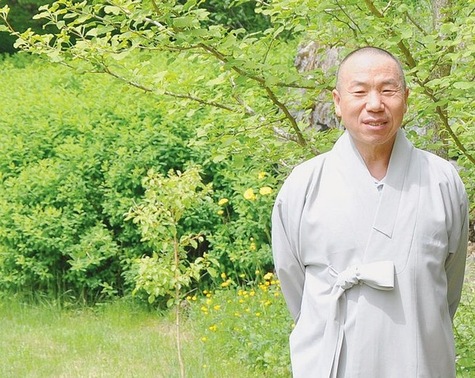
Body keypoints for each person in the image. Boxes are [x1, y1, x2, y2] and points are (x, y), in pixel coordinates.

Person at [271, 46, 469, 378]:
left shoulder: (442, 181)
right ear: (337, 101)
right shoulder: (304, 184)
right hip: (333, 363)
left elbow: (449, 288)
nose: (374, 104)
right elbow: (295, 286)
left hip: (419, 360)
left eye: (388, 91)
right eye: (360, 91)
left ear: (405, 98)